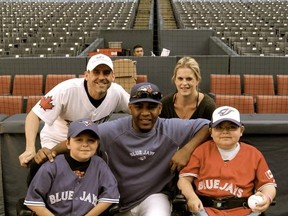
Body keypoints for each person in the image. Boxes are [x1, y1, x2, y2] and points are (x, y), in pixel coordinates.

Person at [35, 82, 210, 215]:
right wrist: (52, 151)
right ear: (130, 107)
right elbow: (79, 140)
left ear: (160, 108)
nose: (145, 112)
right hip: (116, 200)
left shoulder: (171, 129)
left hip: (154, 196)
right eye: (139, 106)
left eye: (151, 107)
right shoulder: (113, 130)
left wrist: (186, 150)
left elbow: (206, 126)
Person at [19, 53, 130, 167]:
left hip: (87, 144)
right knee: (53, 173)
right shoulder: (66, 90)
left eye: (106, 72)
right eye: (96, 72)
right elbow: (34, 115)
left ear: (113, 76)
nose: (101, 77)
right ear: (86, 75)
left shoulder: (117, 93)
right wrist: (29, 148)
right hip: (56, 141)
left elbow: (135, 108)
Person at [177, 106, 277, 216]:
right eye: (219, 127)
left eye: (232, 127)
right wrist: (191, 197)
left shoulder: (253, 154)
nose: (225, 131)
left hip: (244, 211)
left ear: (241, 130)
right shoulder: (201, 151)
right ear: (211, 131)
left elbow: (268, 185)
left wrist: (267, 197)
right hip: (205, 210)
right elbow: (184, 180)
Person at [24, 119, 120, 216]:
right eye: (79, 140)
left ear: (97, 144)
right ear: (68, 144)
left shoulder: (100, 165)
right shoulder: (52, 165)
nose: (85, 144)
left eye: (91, 140)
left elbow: (110, 196)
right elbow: (33, 201)